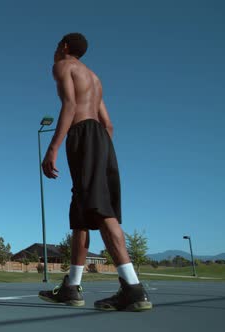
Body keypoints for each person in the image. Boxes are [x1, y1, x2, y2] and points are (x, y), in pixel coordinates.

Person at [38, 33, 152, 312]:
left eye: (56, 46)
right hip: (100, 139)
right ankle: (71, 287)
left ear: (64, 47)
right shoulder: (95, 79)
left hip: (83, 136)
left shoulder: (64, 66)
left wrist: (53, 147)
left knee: (101, 210)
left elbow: (70, 105)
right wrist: (99, 155)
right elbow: (109, 124)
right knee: (81, 215)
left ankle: (133, 288)